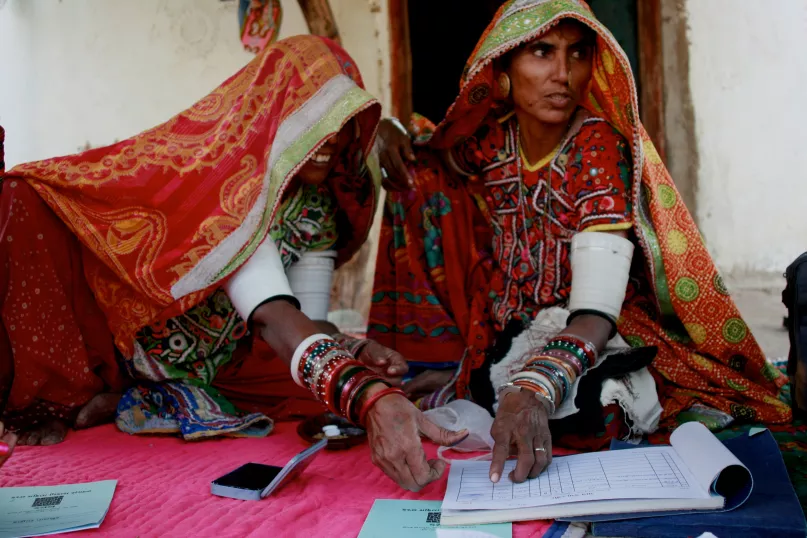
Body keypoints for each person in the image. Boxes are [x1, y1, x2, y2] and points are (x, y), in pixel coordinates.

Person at [0, 35, 465, 492]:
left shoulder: (318, 207)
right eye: (309, 114)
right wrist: (363, 393)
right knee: (19, 203)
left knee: (318, 383)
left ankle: (132, 397)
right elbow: (271, 313)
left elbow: (305, 318)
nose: (329, 137)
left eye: (341, 119)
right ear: (270, 113)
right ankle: (85, 392)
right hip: (128, 336)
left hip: (223, 354)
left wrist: (354, 352)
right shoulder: (231, 178)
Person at [373, 0, 791, 485]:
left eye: (578, 54)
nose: (563, 74)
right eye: (542, 52)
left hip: (599, 331)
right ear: (504, 66)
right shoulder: (489, 141)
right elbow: (432, 154)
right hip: (510, 326)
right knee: (484, 400)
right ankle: (476, 372)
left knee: (593, 412)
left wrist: (535, 385)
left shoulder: (596, 147)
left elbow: (595, 311)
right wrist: (391, 129)